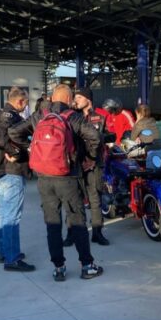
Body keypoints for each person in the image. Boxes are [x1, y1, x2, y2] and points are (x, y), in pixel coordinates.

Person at [9, 84, 104, 281]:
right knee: (77, 221)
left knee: (52, 224)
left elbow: (14, 132)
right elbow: (95, 136)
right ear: (69, 100)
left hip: (44, 178)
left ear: (52, 98)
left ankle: (59, 268)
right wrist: (89, 158)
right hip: (69, 177)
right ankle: (87, 265)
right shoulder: (73, 117)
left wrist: (32, 148)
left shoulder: (39, 116)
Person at [0, 86, 35, 272]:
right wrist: (15, 152)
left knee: (4, 213)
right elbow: (2, 138)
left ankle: (4, 251)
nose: (25, 106)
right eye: (25, 102)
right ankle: (12, 258)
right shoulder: (9, 116)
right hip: (11, 171)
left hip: (3, 170)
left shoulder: (1, 114)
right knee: (11, 216)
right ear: (20, 101)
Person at [71, 87, 110, 246]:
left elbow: (100, 140)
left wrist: (93, 160)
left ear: (88, 99)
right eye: (75, 97)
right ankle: (71, 233)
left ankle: (97, 232)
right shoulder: (72, 117)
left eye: (79, 97)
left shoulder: (100, 117)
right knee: (74, 200)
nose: (76, 100)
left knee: (95, 199)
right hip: (76, 164)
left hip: (94, 164)